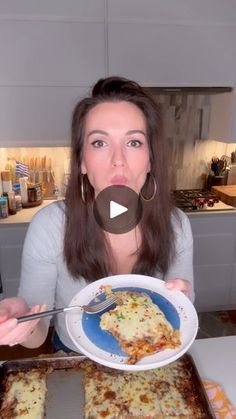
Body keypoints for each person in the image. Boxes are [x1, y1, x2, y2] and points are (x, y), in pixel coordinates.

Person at [0, 76, 194, 352]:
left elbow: (186, 311)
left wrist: (181, 302)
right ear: (81, 161)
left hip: (153, 354)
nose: (118, 160)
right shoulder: (51, 226)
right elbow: (37, 335)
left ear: (151, 159)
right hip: (75, 359)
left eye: (134, 142)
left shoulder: (177, 226)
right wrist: (21, 319)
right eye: (99, 143)